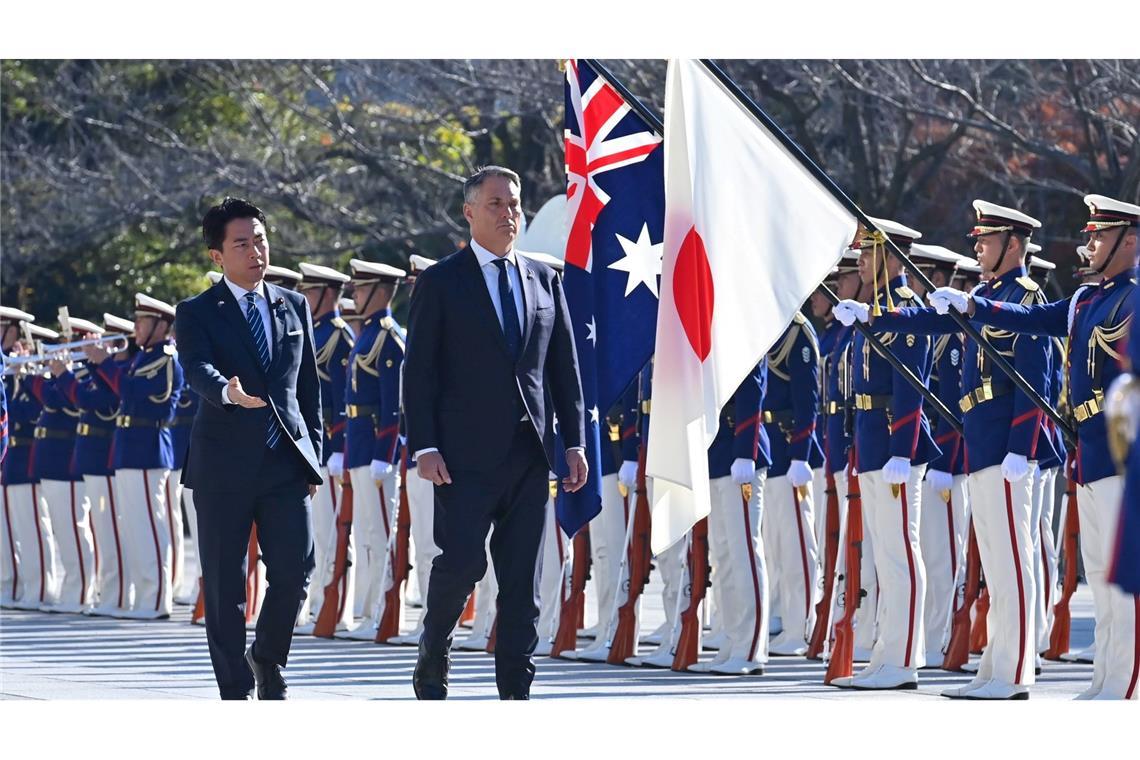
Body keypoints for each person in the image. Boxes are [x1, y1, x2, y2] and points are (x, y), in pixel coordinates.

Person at [835, 202, 1055, 699]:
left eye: (987, 240)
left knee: (1012, 558)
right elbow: (930, 325)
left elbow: (1035, 381)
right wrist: (874, 315)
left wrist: (1022, 445)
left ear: (1013, 245)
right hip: (981, 441)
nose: (977, 248)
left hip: (1004, 444)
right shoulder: (985, 294)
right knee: (997, 561)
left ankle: (1013, 670)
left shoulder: (1025, 296)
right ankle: (995, 667)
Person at [929, 194, 1139, 700]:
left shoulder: (1133, 300)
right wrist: (975, 304)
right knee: (1103, 578)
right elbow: (1035, 319)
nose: (1089, 244)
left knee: (1124, 583)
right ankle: (1106, 679)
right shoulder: (1087, 300)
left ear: (1130, 242)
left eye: (1100, 236)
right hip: (1087, 451)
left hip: (1120, 453)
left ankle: (1127, 682)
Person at [404, 166, 587, 700]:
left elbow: (564, 371)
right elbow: (419, 372)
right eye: (495, 204)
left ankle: (515, 681)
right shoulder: (442, 281)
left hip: (528, 454)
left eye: (514, 204)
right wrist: (426, 445)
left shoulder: (544, 279)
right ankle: (435, 646)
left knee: (521, 576)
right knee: (461, 562)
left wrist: (573, 442)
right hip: (461, 457)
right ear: (469, 212)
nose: (508, 214)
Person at [175, 197, 323, 700]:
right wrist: (226, 392)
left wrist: (312, 456)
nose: (256, 250)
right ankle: (234, 690)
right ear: (217, 255)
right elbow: (195, 367)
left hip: (284, 462)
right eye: (242, 243)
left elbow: (308, 391)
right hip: (223, 466)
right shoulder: (196, 312)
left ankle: (266, 655)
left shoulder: (293, 304)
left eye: (260, 238)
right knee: (224, 586)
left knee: (296, 570)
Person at [831, 218, 939, 691]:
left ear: (895, 259)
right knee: (882, 555)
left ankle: (904, 660)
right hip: (872, 442)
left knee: (899, 554)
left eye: (872, 253)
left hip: (896, 445)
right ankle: (885, 654)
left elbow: (911, 387)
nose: (863, 262)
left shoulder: (906, 310)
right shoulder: (871, 309)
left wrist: (902, 448)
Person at [87, 294, 184, 620]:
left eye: (143, 321)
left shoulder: (165, 359)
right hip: (129, 447)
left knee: (149, 527)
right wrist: (98, 364)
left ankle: (155, 600)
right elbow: (117, 388)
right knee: (132, 527)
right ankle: (143, 597)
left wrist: (105, 363)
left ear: (161, 325)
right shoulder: (142, 358)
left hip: (148, 447)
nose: (136, 327)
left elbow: (135, 392)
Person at [293, 261, 355, 631]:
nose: (303, 297)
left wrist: (339, 450)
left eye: (309, 291)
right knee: (312, 533)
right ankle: (312, 603)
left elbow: (346, 400)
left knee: (336, 533)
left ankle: (335, 608)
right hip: (309, 448)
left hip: (331, 448)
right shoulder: (310, 334)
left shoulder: (339, 338)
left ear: (327, 295)